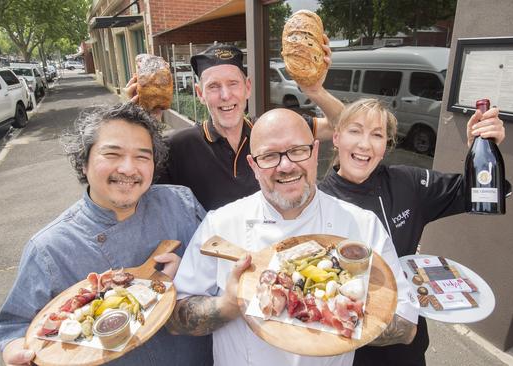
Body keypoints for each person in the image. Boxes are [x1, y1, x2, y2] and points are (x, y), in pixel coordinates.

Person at [167, 108, 420, 366]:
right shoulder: (221, 224)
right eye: (269, 156)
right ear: (253, 165)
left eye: (297, 150)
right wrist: (230, 304)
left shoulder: (362, 225)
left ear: (315, 153)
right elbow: (176, 318)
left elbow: (406, 324)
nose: (286, 165)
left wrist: (337, 312)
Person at [0, 102, 212, 366]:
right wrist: (16, 349)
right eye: (112, 154)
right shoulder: (50, 247)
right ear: (83, 162)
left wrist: (188, 272)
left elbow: (215, 262)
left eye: (142, 156)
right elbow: (14, 325)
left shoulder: (180, 202)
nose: (129, 169)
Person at [318, 98, 507, 366]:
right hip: (347, 348)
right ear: (336, 138)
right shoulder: (317, 203)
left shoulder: (407, 183)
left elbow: (477, 193)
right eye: (355, 131)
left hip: (406, 342)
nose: (364, 144)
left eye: (377, 135)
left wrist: (479, 149)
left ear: (386, 146)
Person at [126, 42, 343, 210]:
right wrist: (141, 119)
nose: (225, 95)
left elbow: (340, 127)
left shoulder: (270, 132)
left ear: (247, 88)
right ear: (200, 94)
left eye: (233, 83)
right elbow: (132, 188)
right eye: (213, 86)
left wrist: (315, 91)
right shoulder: (178, 146)